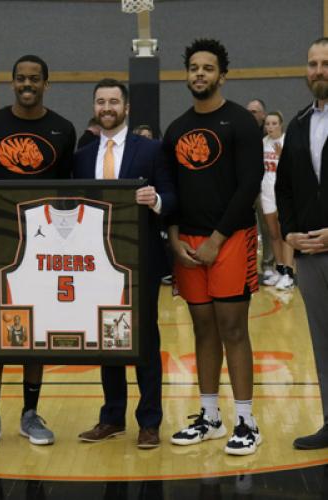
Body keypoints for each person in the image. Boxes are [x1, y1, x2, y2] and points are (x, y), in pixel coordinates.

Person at [0, 54, 76, 451]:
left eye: (34, 79)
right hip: (0, 238)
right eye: (20, 78)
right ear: (11, 83)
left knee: (37, 327)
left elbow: (69, 190)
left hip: (45, 244)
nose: (26, 84)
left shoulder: (62, 129)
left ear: (47, 83)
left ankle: (30, 412)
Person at [164, 39, 264, 456]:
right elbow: (168, 190)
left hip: (230, 239)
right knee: (202, 329)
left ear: (223, 75)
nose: (199, 74)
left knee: (233, 329)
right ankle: (210, 416)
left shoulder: (240, 122)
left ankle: (247, 421)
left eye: (207, 68)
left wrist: (216, 241)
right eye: (193, 67)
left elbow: (249, 186)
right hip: (187, 244)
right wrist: (172, 238)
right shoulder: (176, 129)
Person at [74, 78, 176, 449]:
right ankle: (112, 417)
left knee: (145, 339)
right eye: (100, 101)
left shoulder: (150, 149)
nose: (106, 108)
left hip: (140, 258)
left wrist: (156, 200)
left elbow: (171, 195)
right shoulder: (82, 155)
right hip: (96, 261)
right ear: (94, 106)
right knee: (106, 339)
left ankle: (149, 421)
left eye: (113, 102)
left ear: (126, 108)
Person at [276, 37, 328, 450]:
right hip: (311, 255)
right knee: (322, 342)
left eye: (325, 63)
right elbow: (285, 187)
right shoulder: (296, 124)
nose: (318, 70)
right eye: (312, 63)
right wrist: (290, 233)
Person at [260, 111, 295, 290]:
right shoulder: (263, 143)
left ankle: (289, 273)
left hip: (283, 193)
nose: (271, 127)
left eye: (274, 123)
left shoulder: (288, 141)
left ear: (281, 124)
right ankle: (280, 270)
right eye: (268, 124)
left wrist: (283, 156)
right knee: (273, 234)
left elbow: (296, 169)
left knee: (285, 234)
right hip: (266, 193)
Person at [247, 99, 275, 282]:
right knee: (243, 229)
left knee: (267, 229)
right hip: (244, 189)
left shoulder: (271, 136)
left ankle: (268, 266)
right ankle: (245, 267)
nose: (251, 114)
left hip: (264, 189)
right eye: (248, 111)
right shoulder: (241, 132)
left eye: (255, 111)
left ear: (263, 115)